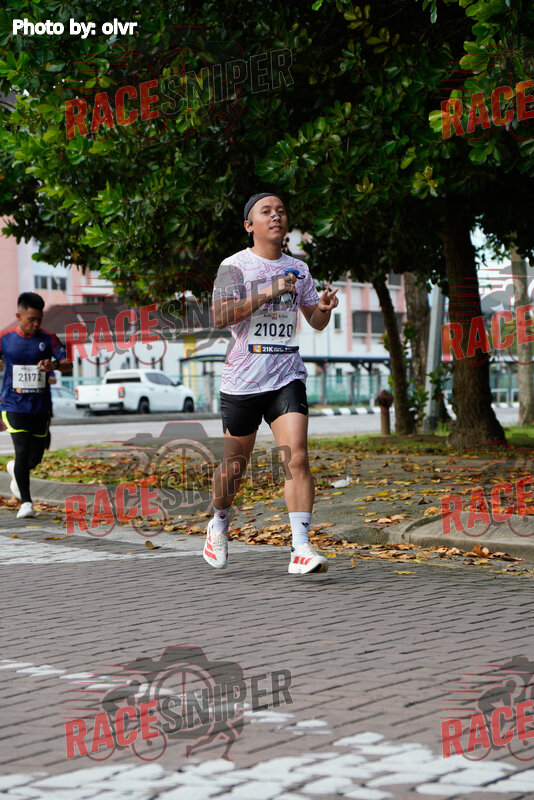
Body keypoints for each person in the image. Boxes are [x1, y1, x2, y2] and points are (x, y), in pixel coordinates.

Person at [204, 192, 339, 574]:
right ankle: (219, 521)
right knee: (234, 468)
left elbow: (314, 320)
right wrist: (268, 291)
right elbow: (220, 315)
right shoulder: (234, 266)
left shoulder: (300, 268)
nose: (276, 216)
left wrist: (323, 309)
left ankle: (300, 547)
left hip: (286, 376)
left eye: (280, 211)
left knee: (297, 456)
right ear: (250, 225)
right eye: (266, 212)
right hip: (243, 380)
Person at [0, 292, 72, 518]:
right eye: (31, 319)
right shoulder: (4, 339)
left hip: (40, 406)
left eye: (39, 319)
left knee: (35, 457)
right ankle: (26, 503)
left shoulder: (49, 338)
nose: (35, 324)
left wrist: (54, 365)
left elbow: (68, 363)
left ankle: (15, 469)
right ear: (18, 316)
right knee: (22, 451)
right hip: (13, 404)